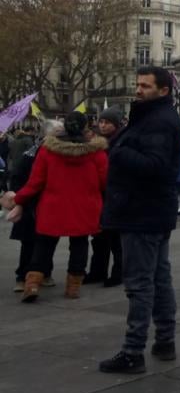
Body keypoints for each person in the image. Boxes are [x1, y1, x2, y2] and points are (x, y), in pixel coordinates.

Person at [98, 66, 180, 374]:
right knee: (159, 279)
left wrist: (116, 153)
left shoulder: (158, 122)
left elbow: (156, 165)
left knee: (139, 284)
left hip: (141, 211)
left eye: (145, 86)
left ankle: (133, 351)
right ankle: (165, 340)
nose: (138, 90)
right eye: (138, 84)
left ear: (163, 91)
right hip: (152, 210)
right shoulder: (152, 117)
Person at [2, 113, 107, 303]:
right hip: (85, 207)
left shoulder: (48, 151)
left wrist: (18, 199)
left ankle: (32, 284)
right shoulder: (96, 153)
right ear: (86, 127)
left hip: (53, 206)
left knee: (43, 245)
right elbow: (104, 182)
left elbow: (35, 182)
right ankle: (73, 287)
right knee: (79, 244)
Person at [6, 123, 54, 293]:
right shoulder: (33, 154)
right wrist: (20, 198)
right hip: (30, 202)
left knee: (46, 241)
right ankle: (23, 276)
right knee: (30, 242)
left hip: (40, 201)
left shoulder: (37, 151)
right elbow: (19, 176)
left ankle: (44, 273)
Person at [85, 108, 125, 286]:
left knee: (117, 239)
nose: (102, 125)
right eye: (101, 122)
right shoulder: (96, 143)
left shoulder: (122, 141)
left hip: (116, 195)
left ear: (115, 125)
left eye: (107, 122)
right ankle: (97, 271)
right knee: (99, 238)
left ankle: (119, 273)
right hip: (100, 196)